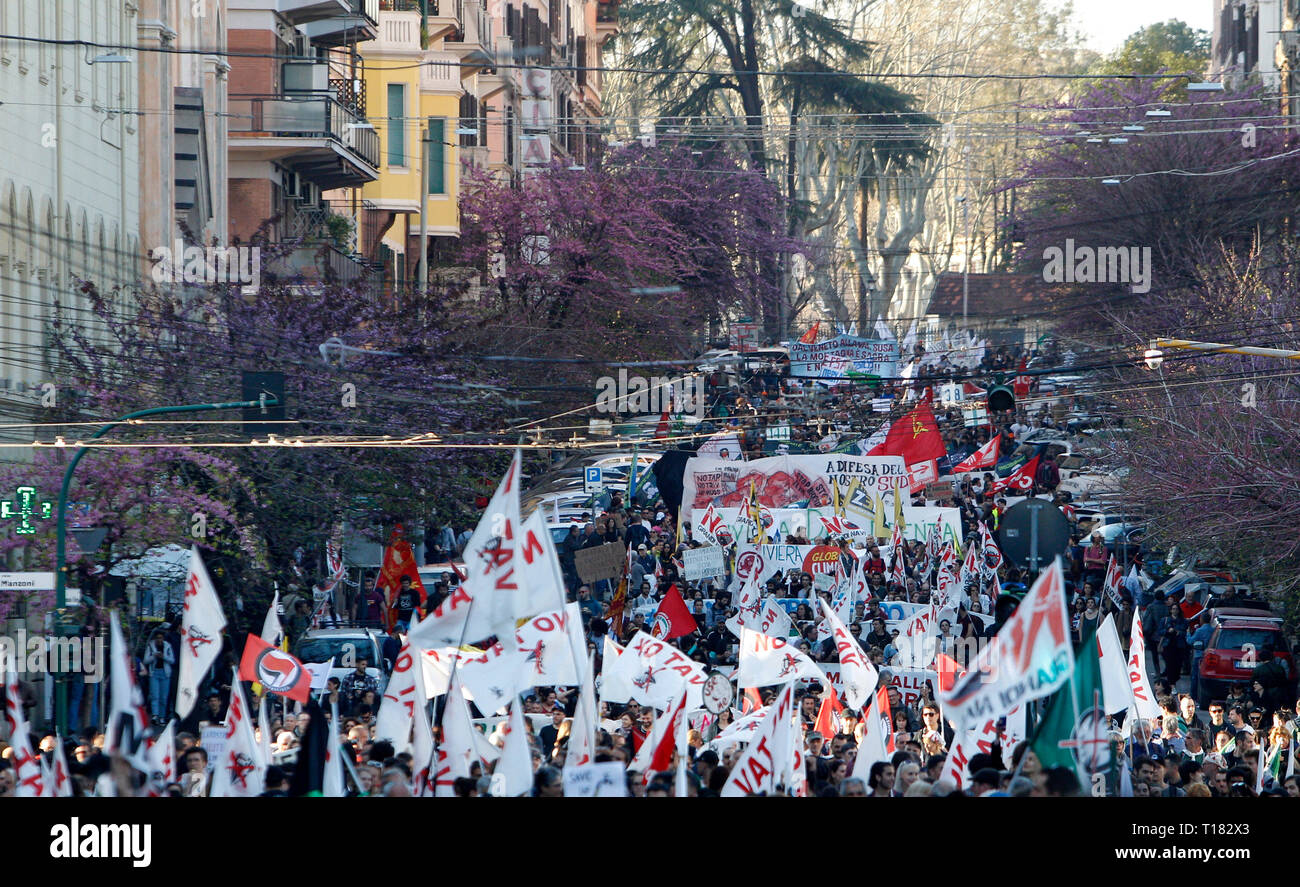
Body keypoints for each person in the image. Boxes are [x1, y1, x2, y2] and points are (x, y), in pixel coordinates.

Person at [142, 631, 175, 724]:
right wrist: (154, 656)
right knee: (154, 695)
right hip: (154, 672)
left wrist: (163, 656)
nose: (159, 640)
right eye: (157, 638)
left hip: (165, 673)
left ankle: (162, 716)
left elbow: (172, 660)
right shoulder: (151, 646)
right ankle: (155, 715)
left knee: (164, 697)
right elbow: (146, 660)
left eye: (161, 638)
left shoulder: (167, 646)